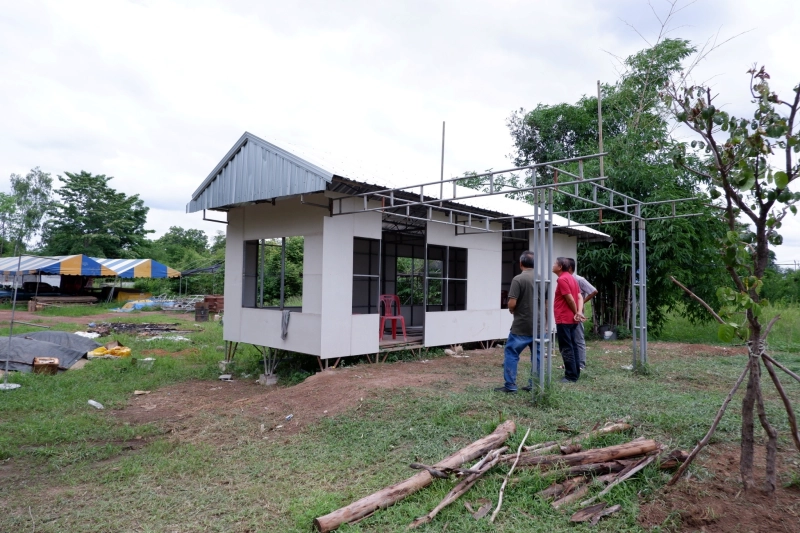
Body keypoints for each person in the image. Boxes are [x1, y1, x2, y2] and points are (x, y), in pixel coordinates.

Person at [494, 250, 541, 393]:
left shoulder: (518, 279)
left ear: (521, 263)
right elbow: (545, 303)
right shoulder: (542, 278)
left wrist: (511, 310)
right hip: (539, 324)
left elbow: (511, 303)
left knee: (511, 352)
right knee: (537, 356)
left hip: (522, 324)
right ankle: (535, 385)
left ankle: (510, 386)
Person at [553, 256, 581, 383]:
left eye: (555, 263)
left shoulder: (562, 279)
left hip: (564, 318)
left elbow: (569, 298)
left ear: (560, 267)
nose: (553, 265)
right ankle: (575, 372)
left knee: (566, 347)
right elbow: (579, 297)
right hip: (571, 318)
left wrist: (576, 312)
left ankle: (570, 376)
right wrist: (578, 313)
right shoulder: (572, 279)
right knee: (573, 345)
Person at [567, 258, 598, 370]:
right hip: (567, 313)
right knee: (569, 339)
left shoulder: (579, 279)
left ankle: (581, 364)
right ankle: (571, 363)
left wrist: (582, 302)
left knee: (578, 338)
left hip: (577, 313)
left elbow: (594, 291)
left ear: (569, 268)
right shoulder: (565, 279)